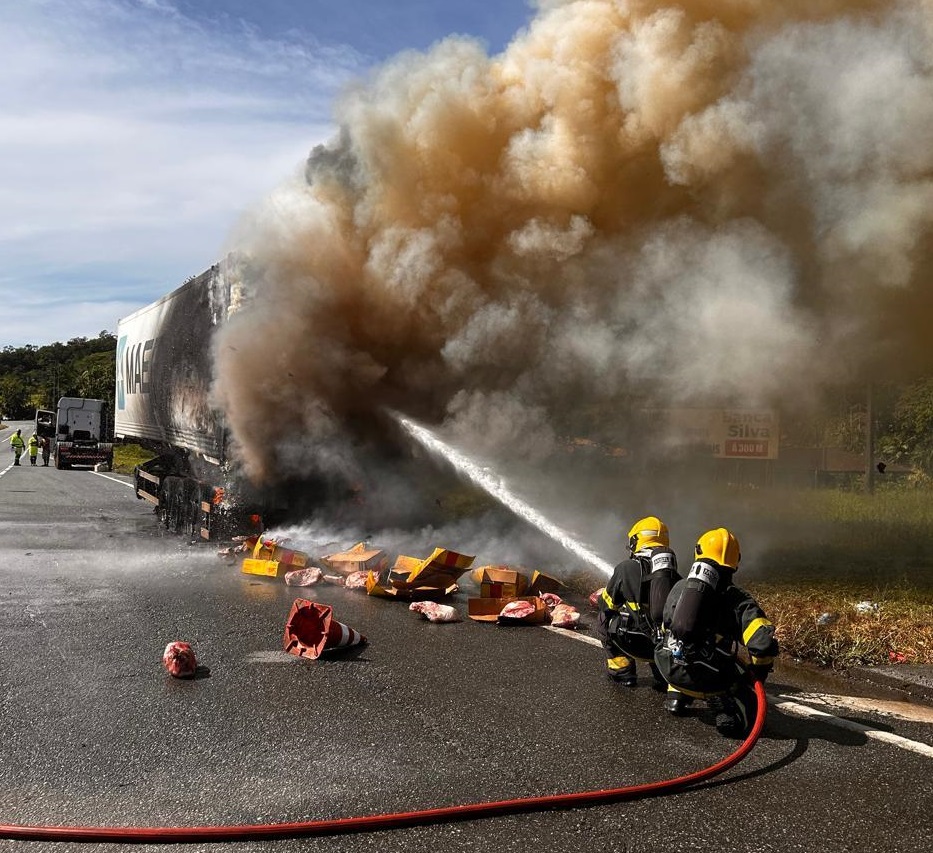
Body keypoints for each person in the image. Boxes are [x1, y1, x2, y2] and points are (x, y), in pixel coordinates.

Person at [654, 527, 778, 737]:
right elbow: (762, 646)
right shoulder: (739, 601)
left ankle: (676, 697)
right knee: (749, 709)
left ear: (698, 551)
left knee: (681, 647)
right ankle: (728, 711)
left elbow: (666, 624)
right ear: (735, 562)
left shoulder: (679, 587)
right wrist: (755, 677)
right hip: (708, 677)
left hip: (668, 668)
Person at [597, 515, 681, 687]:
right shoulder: (672, 573)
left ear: (636, 541)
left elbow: (606, 605)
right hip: (664, 647)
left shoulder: (626, 567)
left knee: (603, 619)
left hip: (634, 641)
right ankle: (663, 674)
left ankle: (623, 672)